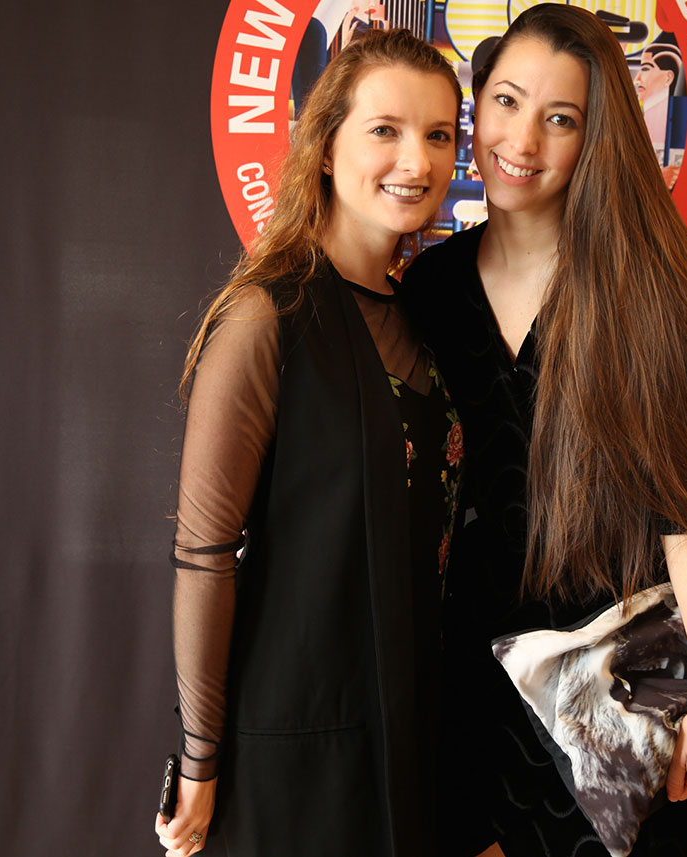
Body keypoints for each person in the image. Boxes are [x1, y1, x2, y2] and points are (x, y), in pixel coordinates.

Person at [400, 5, 687, 856]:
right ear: (474, 104)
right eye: (507, 102)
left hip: (611, 684)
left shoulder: (643, 290)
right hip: (466, 679)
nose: (522, 139)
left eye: (561, 119)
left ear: (597, 139)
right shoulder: (432, 285)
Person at [153, 29, 462, 857]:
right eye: (386, 129)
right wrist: (200, 757)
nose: (417, 159)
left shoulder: (426, 320)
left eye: (439, 135)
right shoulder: (267, 317)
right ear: (325, 147)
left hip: (409, 741)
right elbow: (205, 552)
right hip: (295, 752)